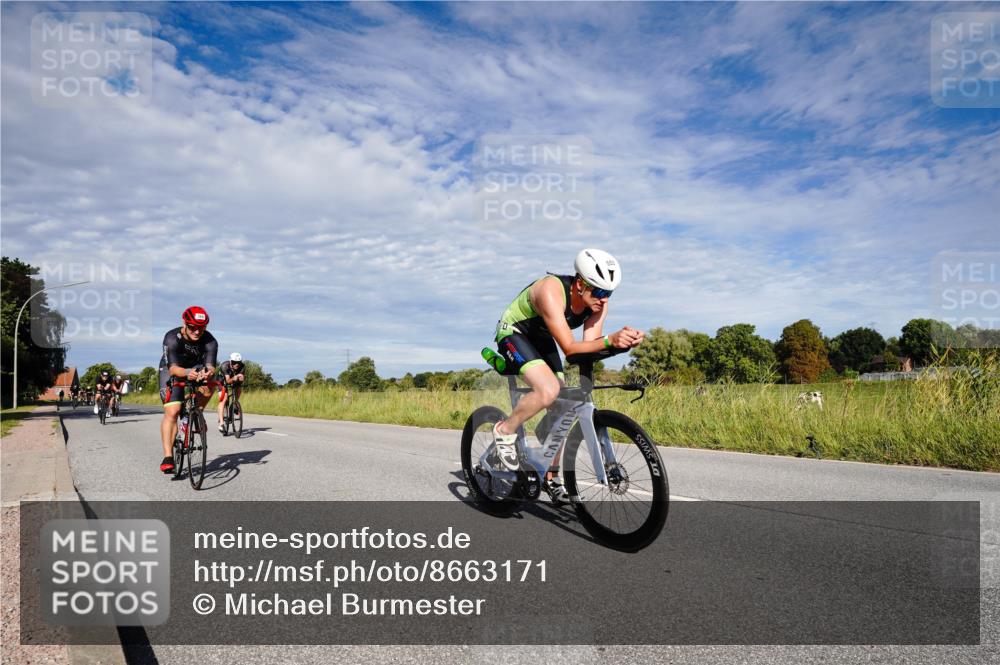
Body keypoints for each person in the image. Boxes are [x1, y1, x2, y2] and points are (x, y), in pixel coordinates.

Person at [490, 249, 644, 502]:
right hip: (514, 332)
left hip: (541, 336)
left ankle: (549, 475)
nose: (604, 300)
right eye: (600, 292)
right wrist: (610, 340)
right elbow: (571, 349)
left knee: (562, 406)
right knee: (548, 390)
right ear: (581, 283)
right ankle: (505, 430)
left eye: (610, 293)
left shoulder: (597, 304)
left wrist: (620, 344)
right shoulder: (550, 290)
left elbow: (589, 346)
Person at [157, 306, 218, 473]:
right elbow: (174, 369)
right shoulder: (172, 337)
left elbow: (211, 366)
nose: (197, 331)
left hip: (196, 367)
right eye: (192, 327)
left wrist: (207, 373)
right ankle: (168, 456)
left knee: (211, 380)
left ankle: (195, 413)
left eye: (202, 328)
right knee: (173, 411)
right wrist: (187, 373)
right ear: (185, 323)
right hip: (172, 370)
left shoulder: (210, 341)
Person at [216, 352, 246, 432]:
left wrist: (242, 378)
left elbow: (240, 379)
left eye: (238, 363)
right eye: (234, 362)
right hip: (222, 381)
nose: (237, 364)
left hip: (233, 379)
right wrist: (234, 378)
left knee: (239, 388)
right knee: (224, 399)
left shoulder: (242, 366)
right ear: (230, 362)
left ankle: (234, 404)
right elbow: (228, 380)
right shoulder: (225, 366)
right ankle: (221, 424)